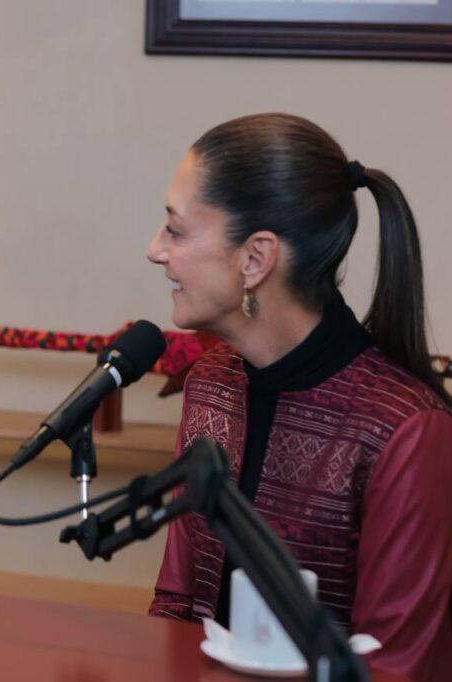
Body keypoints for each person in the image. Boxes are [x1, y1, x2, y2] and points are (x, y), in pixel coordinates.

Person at [145, 113, 451, 680]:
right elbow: (177, 606)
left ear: (256, 259)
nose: (155, 250)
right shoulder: (210, 385)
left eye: (176, 230)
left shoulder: (407, 431)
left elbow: (396, 668)